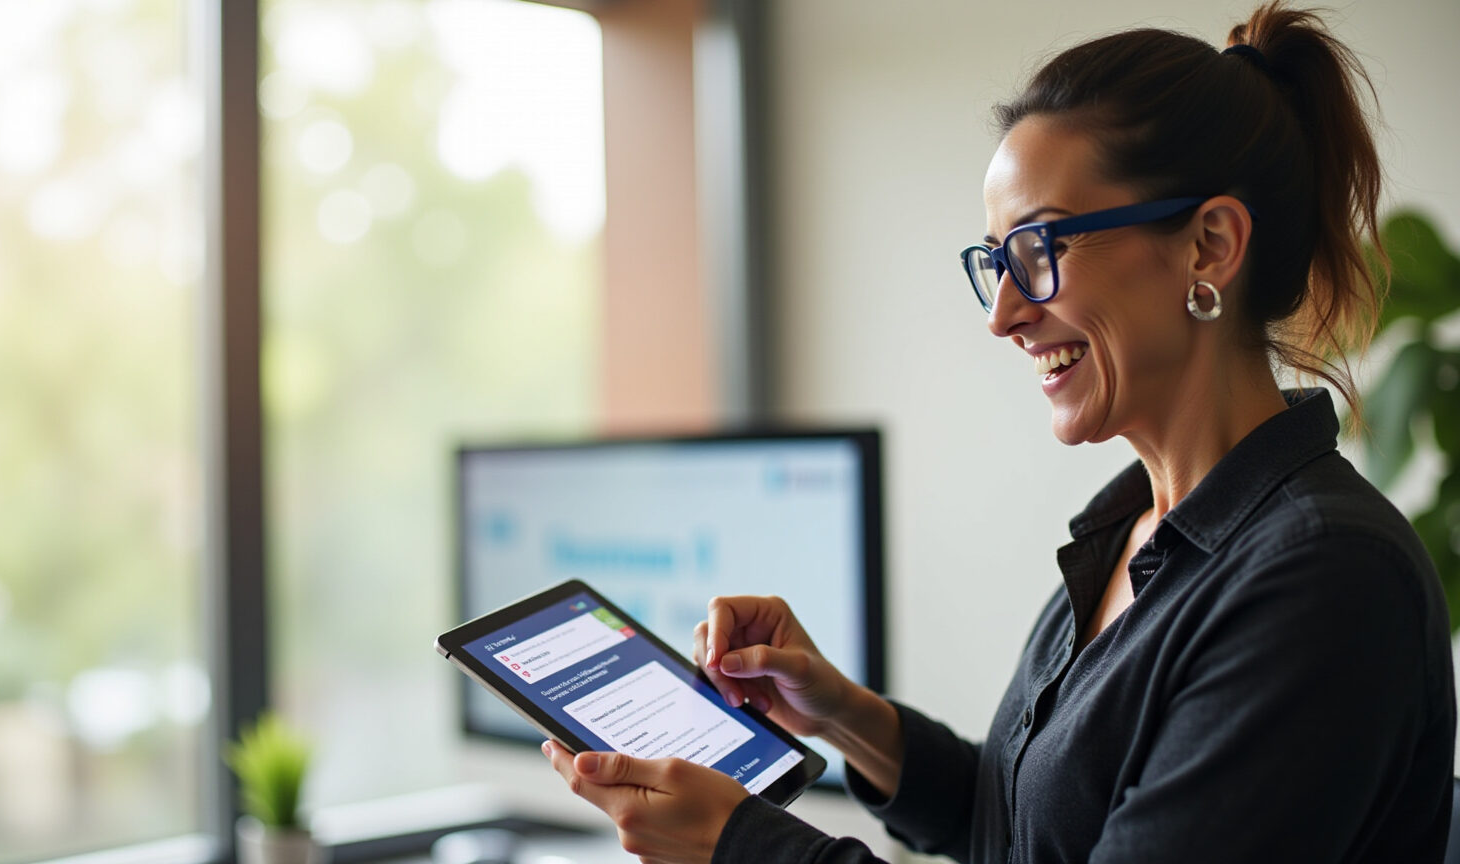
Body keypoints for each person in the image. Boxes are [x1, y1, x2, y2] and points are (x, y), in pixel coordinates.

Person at [541, 3, 1458, 861]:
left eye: (1040, 249)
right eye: (997, 262)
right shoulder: (1134, 535)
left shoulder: (1324, 577)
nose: (1005, 315)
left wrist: (742, 844)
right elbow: (1019, 823)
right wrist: (844, 713)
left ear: (1209, 245)